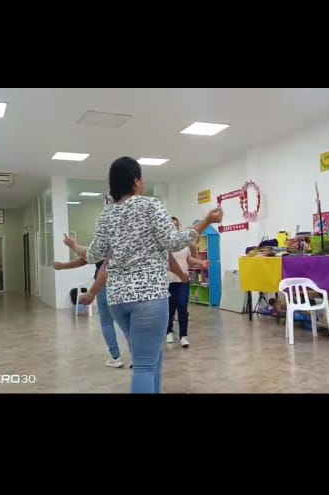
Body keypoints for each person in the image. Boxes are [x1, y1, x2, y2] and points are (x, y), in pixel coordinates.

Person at [83, 157, 223, 394]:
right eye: (142, 177)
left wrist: (78, 248)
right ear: (136, 181)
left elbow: (94, 254)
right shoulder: (150, 205)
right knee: (145, 365)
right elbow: (174, 241)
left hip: (118, 299)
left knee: (153, 357)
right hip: (149, 298)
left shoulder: (106, 216)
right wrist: (207, 220)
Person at [54, 248, 124, 368]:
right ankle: (136, 358)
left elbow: (86, 258)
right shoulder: (130, 241)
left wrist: (64, 262)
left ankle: (115, 357)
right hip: (127, 285)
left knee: (107, 322)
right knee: (129, 322)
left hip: (104, 285)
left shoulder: (103, 242)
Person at [166, 217, 206, 349]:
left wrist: (201, 262)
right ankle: (169, 331)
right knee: (170, 308)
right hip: (169, 282)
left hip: (184, 281)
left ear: (179, 226)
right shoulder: (165, 243)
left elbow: (189, 259)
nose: (174, 227)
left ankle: (184, 336)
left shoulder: (183, 244)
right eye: (172, 225)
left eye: (176, 225)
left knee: (182, 307)